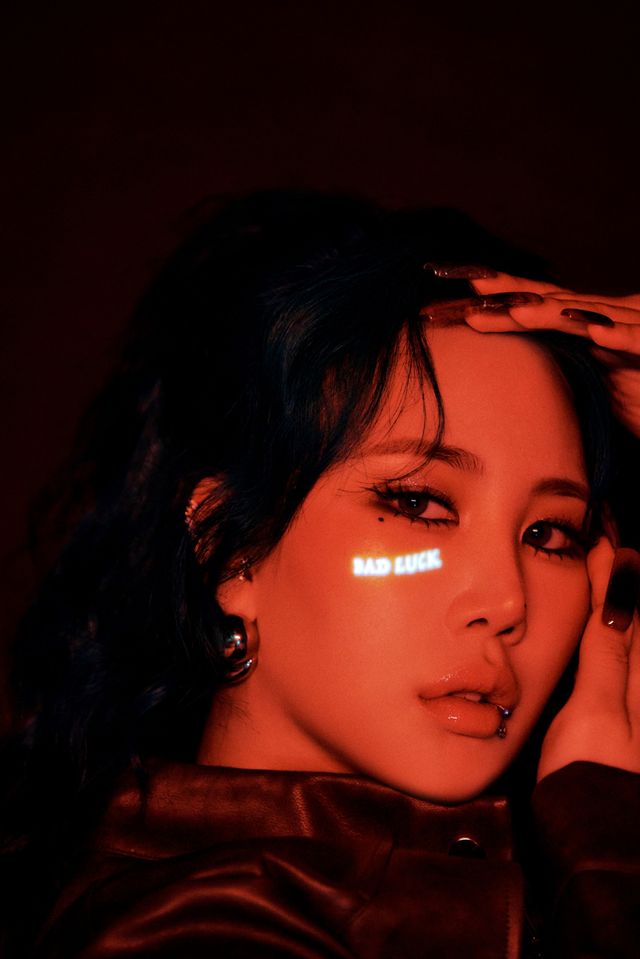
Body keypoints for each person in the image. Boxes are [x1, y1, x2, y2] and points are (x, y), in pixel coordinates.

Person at [2, 190, 640, 958]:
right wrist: (609, 854)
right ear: (230, 547)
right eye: (419, 503)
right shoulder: (193, 931)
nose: (508, 600)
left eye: (549, 534)